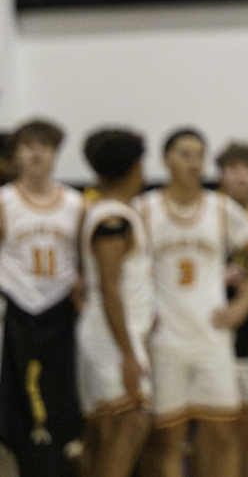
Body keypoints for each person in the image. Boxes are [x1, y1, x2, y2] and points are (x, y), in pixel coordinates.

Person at [138, 129, 248, 477]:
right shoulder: (144, 209)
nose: (194, 163)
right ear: (166, 160)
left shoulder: (220, 207)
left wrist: (242, 306)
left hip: (211, 338)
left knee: (224, 433)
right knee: (169, 439)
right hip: (164, 339)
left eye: (199, 155)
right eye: (185, 154)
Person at [0, 120, 85, 477]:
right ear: (16, 153)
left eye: (44, 146)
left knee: (60, 399)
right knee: (18, 403)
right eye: (28, 146)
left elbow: (84, 260)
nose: (36, 153)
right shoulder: (4, 201)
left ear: (55, 153)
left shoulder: (75, 203)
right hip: (17, 309)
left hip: (60, 310)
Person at [76, 128, 154, 477]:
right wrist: (127, 352)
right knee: (129, 427)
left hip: (111, 334)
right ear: (136, 165)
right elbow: (110, 288)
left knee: (104, 441)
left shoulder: (114, 211)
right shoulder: (112, 218)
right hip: (112, 339)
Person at [215, 142, 248, 477]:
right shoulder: (207, 213)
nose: (241, 176)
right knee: (219, 428)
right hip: (214, 331)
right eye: (232, 168)